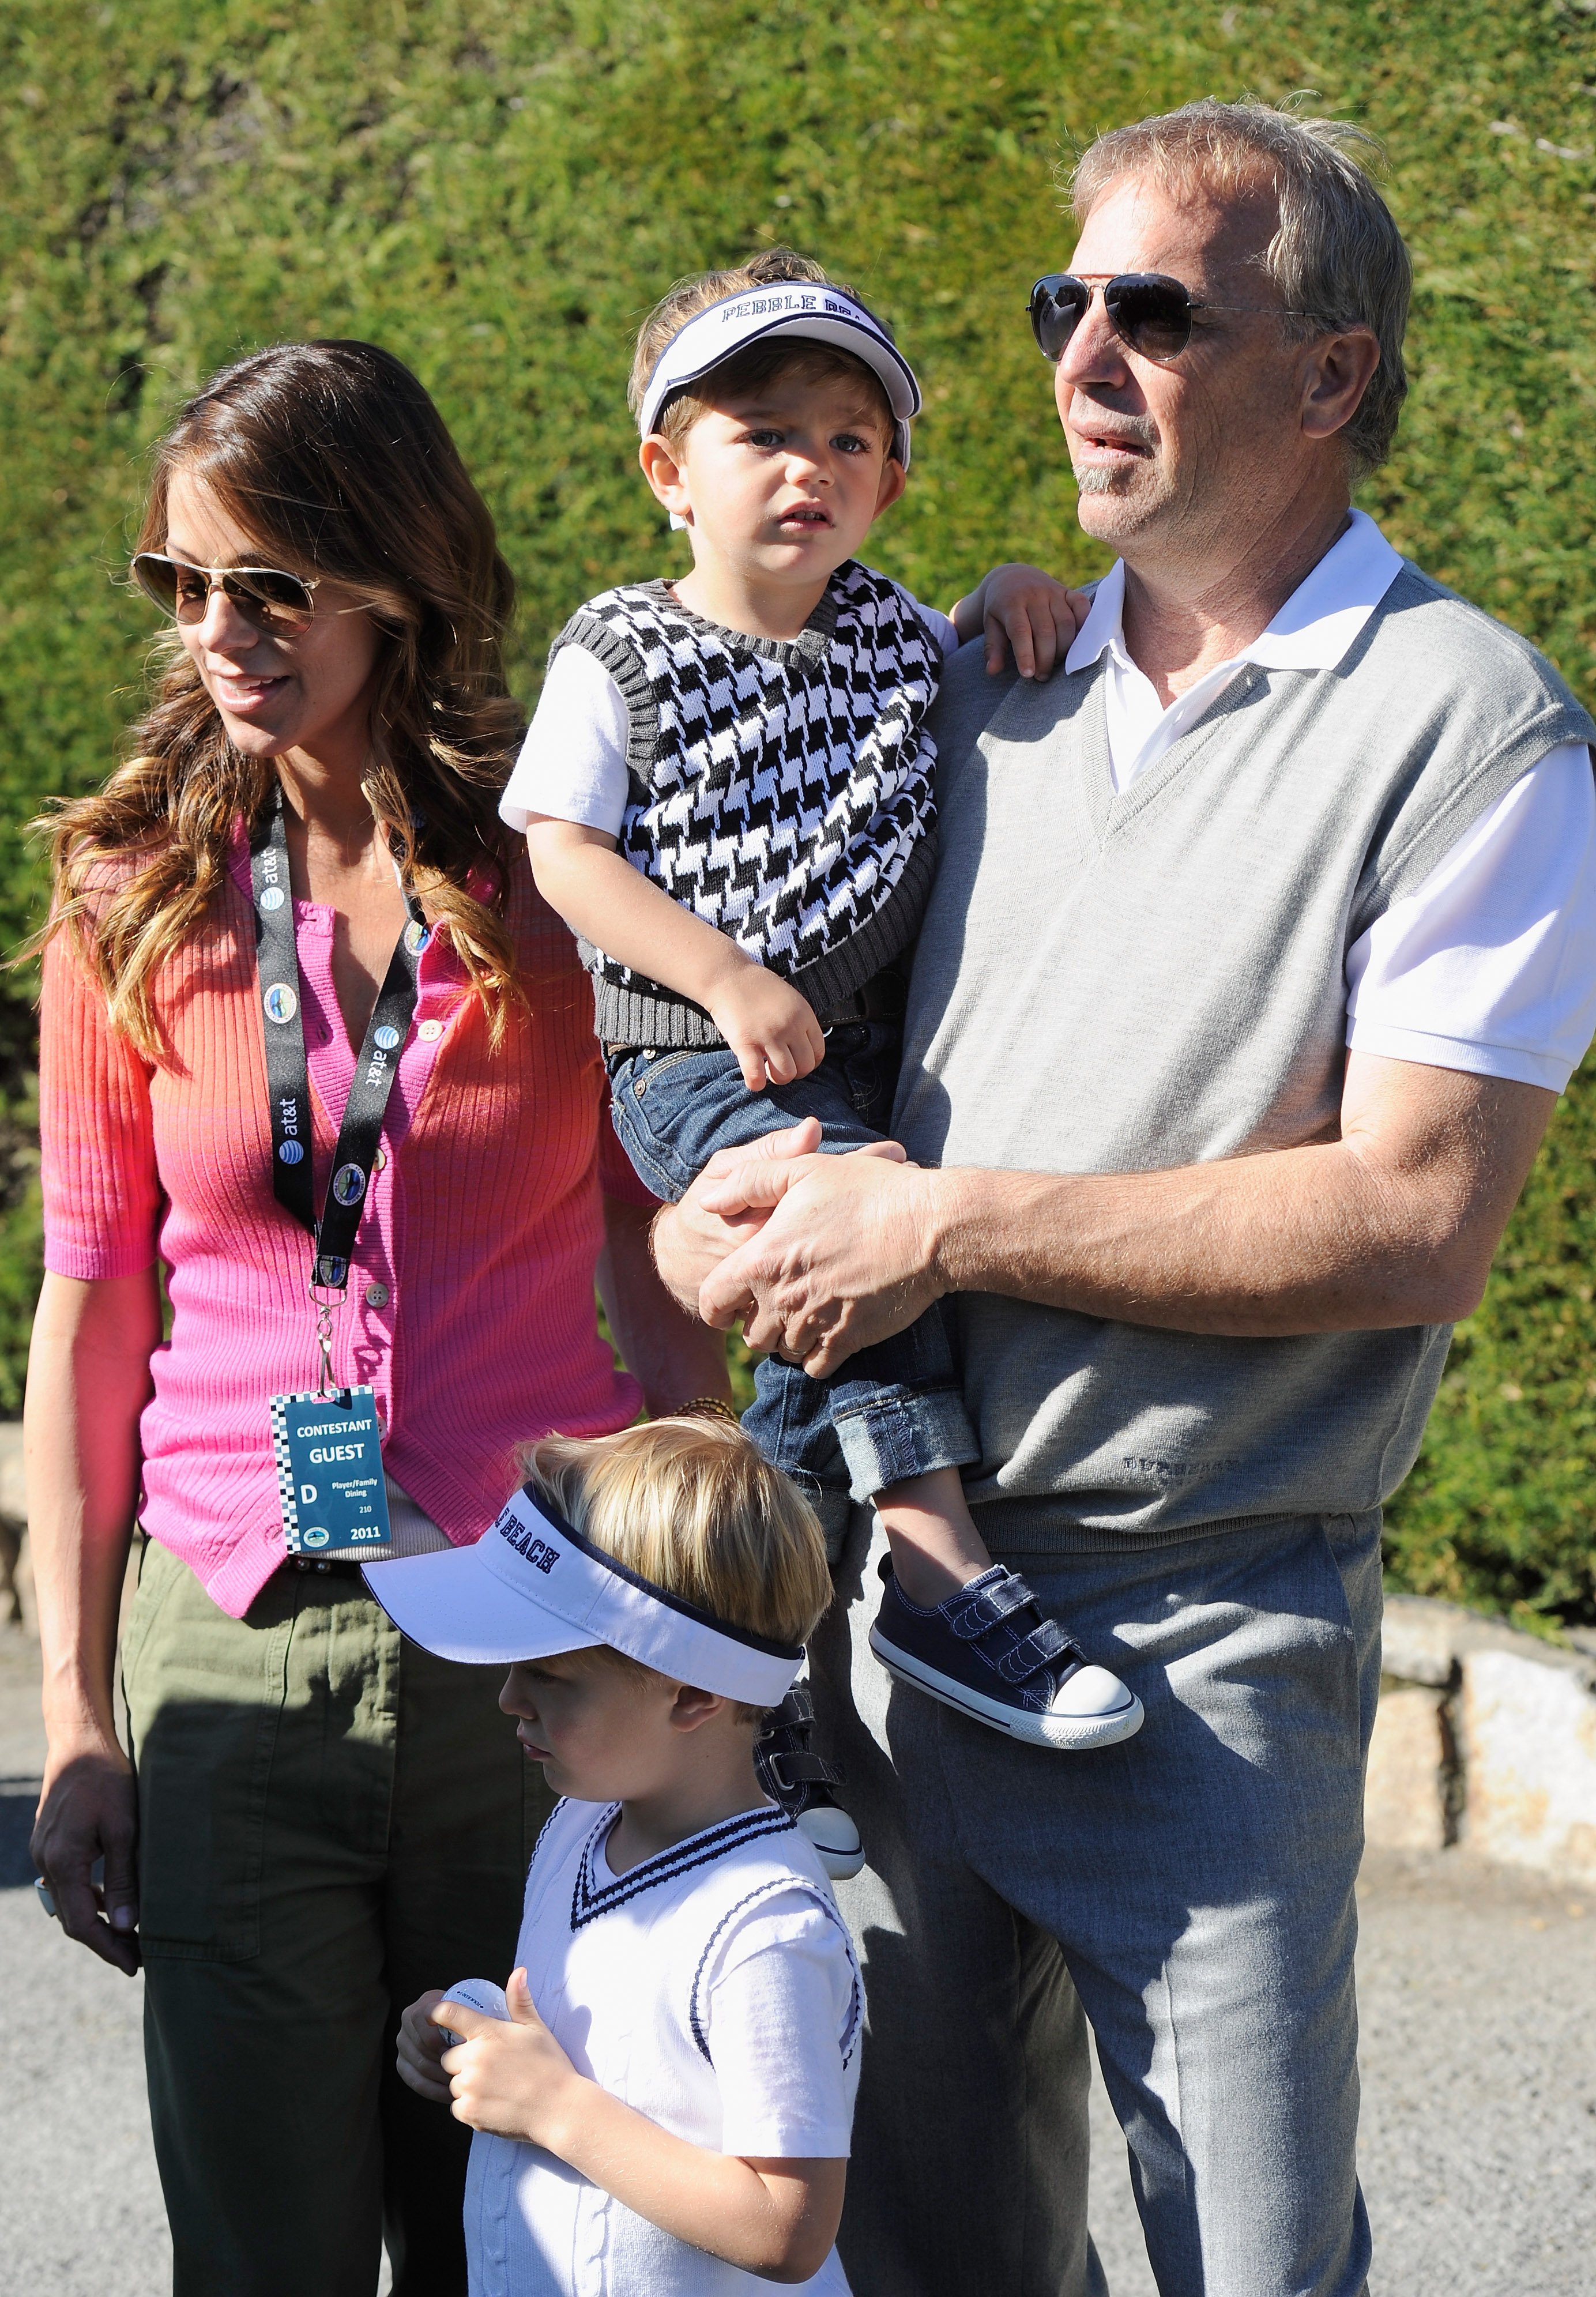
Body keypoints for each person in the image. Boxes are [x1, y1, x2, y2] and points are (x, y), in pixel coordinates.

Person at [651, 101, 1596, 2296]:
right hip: (887, 1623)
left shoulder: (1472, 731)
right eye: (1057, 304)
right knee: (930, 2266)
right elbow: (767, 1045)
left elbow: (1411, 1219)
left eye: (1152, 311)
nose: (1080, 352)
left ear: (1329, 371)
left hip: (1203, 1646)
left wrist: (941, 1226)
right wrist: (716, 1232)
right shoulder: (971, 686)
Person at [25, 340, 728, 2297]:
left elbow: (664, 1282)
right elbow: (89, 1322)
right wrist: (78, 1713)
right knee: (262, 2248)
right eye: (185, 584)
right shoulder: (133, 896)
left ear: (395, 576)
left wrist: (722, 1641)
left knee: (524, 2227)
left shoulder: (561, 879)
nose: (221, 632)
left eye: (270, 582)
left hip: (535, 1628)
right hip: (239, 1628)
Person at [503, 246, 1141, 1792]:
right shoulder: (620, 652)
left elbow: (966, 647)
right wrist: (722, 976)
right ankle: (939, 1573)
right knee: (853, 1231)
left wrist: (1002, 601)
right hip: (693, 1055)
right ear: (669, 471)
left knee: (801, 1361)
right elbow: (561, 849)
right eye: (763, 433)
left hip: (852, 1050)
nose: (812, 467)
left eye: (851, 441)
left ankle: (752, 1706)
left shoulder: (887, 630)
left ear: (893, 482)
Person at [376, 1417, 861, 2294]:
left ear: (694, 1694)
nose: (508, 1697)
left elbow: (788, 2227)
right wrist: (471, 2032)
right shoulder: (582, 1824)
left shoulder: (765, 1929)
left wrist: (556, 2108)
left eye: (552, 1678)